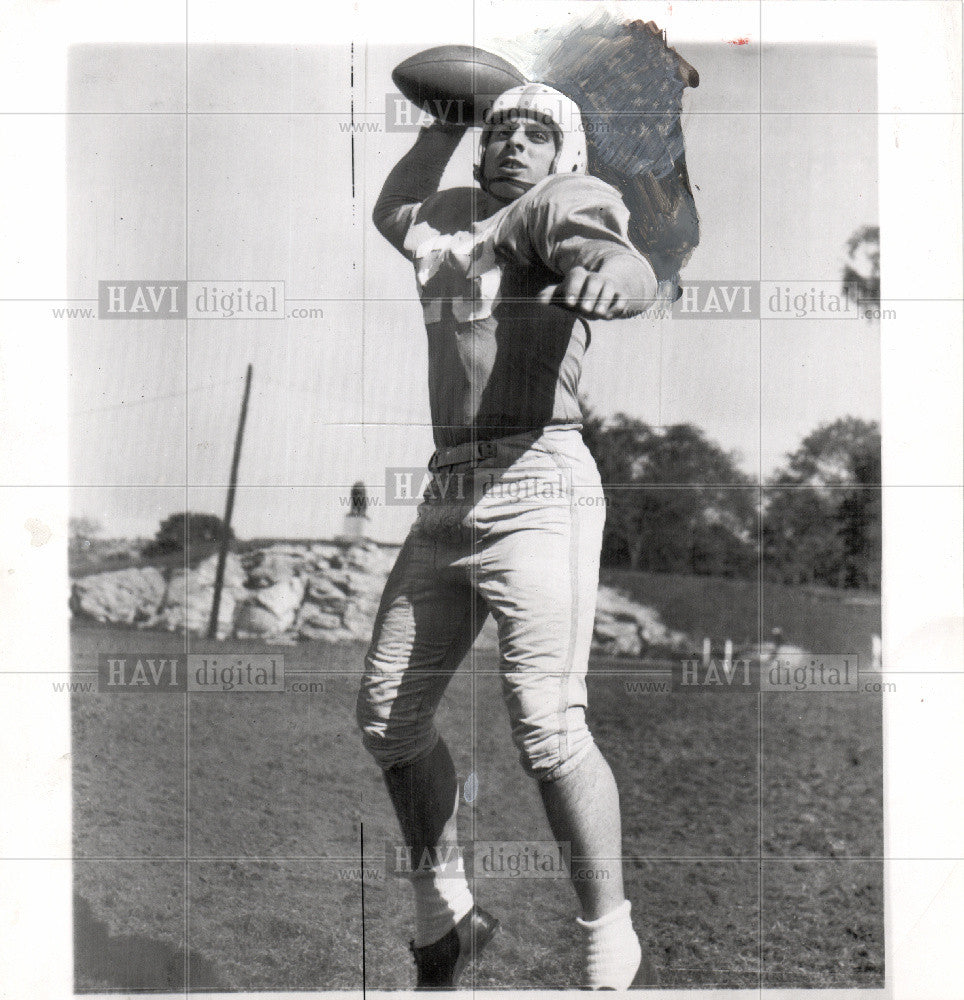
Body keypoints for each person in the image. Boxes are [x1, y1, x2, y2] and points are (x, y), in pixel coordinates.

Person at [356, 83, 658, 990]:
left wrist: (617, 280)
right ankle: (446, 917)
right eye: (499, 131)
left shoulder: (560, 203)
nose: (514, 145)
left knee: (548, 730)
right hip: (449, 487)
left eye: (537, 133)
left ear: (562, 154)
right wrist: (440, 123)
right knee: (386, 718)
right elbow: (393, 208)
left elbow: (619, 256)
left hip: (538, 477)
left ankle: (611, 944)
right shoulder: (447, 216)